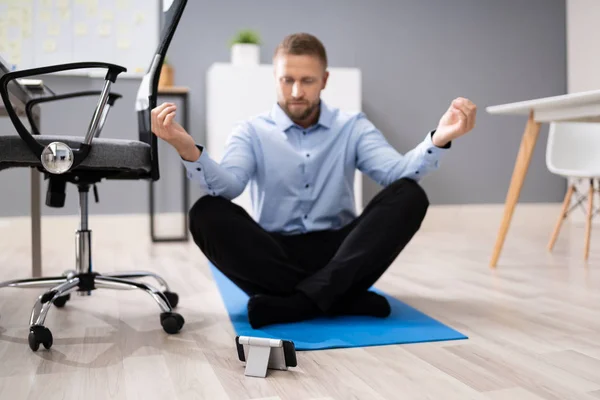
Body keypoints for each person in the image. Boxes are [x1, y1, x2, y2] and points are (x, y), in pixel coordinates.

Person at [150, 32, 477, 328]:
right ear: (275, 79)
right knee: (206, 212)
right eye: (287, 80)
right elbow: (229, 187)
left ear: (324, 80)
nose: (296, 91)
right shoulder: (250, 131)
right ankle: (339, 298)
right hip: (273, 255)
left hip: (342, 253)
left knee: (409, 195)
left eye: (307, 81)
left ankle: (296, 304)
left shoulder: (353, 127)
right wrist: (187, 148)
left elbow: (395, 175)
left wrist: (438, 139)